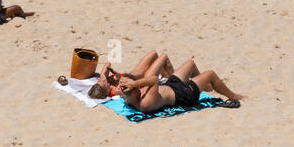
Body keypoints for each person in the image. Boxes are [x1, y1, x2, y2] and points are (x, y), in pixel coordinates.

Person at [89, 51, 242, 112]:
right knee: (211, 74)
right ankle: (234, 96)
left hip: (171, 86)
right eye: (137, 88)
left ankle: (205, 86)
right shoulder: (145, 103)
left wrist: (121, 77)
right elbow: (154, 80)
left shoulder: (128, 97)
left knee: (190, 63)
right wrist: (135, 83)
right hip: (183, 94)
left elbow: (127, 90)